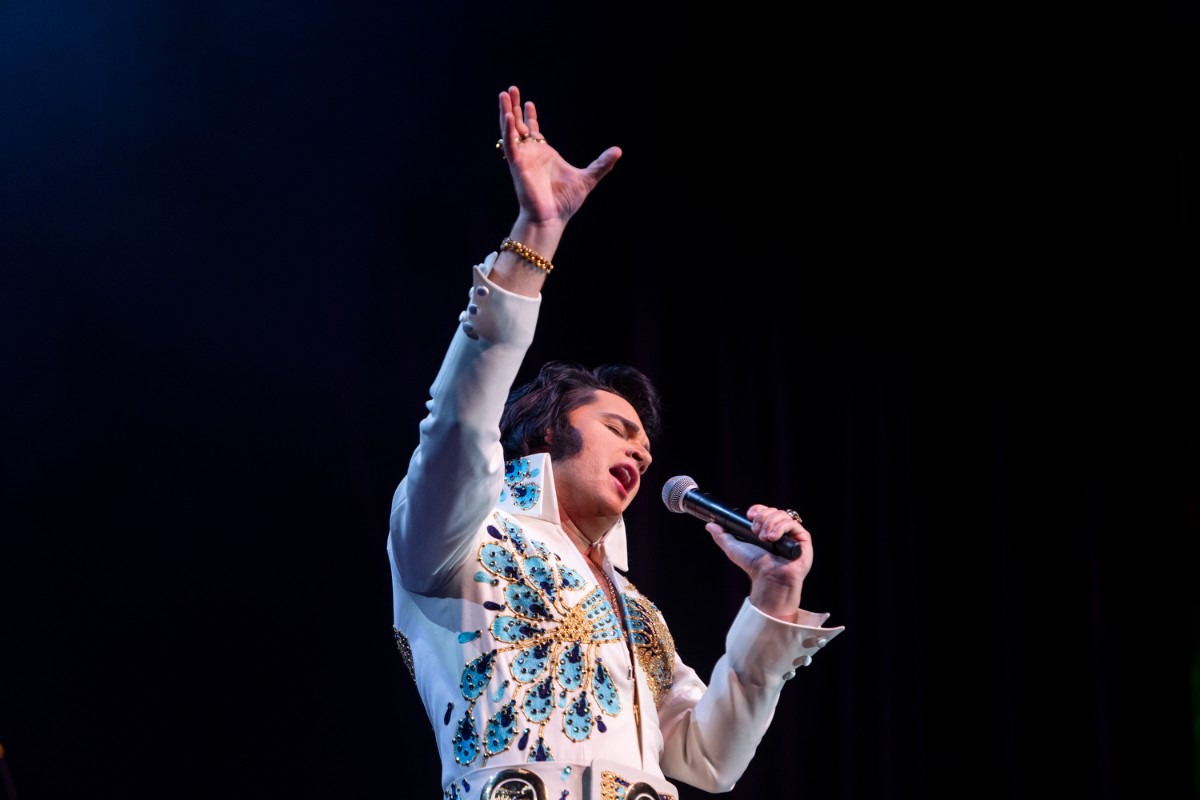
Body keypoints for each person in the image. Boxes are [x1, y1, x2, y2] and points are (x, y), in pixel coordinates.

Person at [387, 85, 845, 800]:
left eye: (647, 446)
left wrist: (774, 597)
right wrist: (535, 235)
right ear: (548, 429)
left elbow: (707, 757)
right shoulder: (463, 539)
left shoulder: (637, 613)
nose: (640, 453)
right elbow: (458, 419)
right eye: (619, 429)